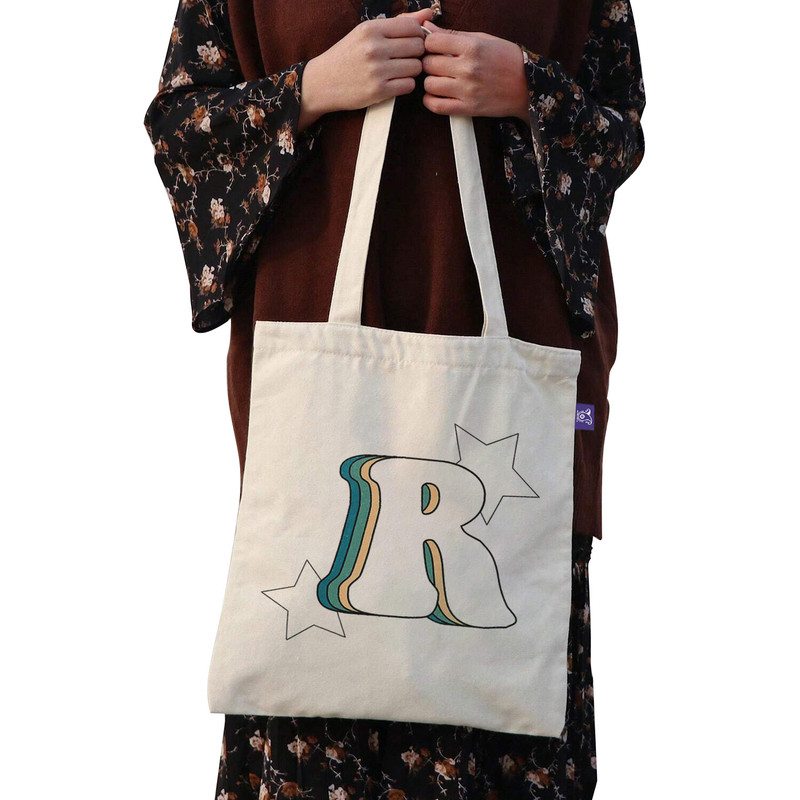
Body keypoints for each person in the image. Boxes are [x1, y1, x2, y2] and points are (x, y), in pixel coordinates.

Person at [143, 1, 645, 797]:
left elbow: (620, 127)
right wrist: (312, 88)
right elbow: (181, 127)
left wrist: (529, 91)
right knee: (313, 680)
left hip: (518, 395)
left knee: (510, 680)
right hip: (322, 395)